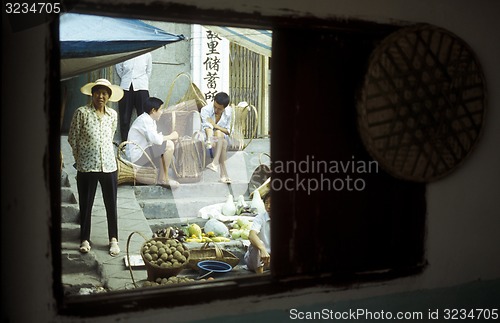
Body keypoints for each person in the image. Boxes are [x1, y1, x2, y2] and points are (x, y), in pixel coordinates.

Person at [68, 78, 123, 256]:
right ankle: (84, 239)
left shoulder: (113, 115)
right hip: (86, 166)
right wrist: (80, 158)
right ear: (92, 94)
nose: (101, 96)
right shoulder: (82, 112)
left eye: (105, 93)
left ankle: (113, 239)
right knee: (86, 204)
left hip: (108, 165)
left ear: (109, 96)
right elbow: (73, 138)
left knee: (111, 204)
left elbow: (110, 136)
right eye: (98, 92)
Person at [126, 97, 180, 189]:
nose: (162, 112)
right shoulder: (144, 120)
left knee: (166, 146)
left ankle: (163, 176)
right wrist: (171, 136)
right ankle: (162, 179)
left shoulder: (149, 120)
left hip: (142, 152)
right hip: (137, 156)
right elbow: (157, 140)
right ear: (153, 110)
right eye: (160, 109)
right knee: (169, 145)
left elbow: (155, 139)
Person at [115, 52, 153, 141]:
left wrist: (141, 80)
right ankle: (125, 144)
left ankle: (144, 143)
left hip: (141, 87)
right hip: (126, 86)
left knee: (144, 116)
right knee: (124, 118)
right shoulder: (124, 53)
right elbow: (119, 69)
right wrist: (127, 78)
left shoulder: (147, 54)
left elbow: (149, 71)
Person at [200, 92, 232, 183]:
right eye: (215, 107)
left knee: (219, 135)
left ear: (225, 108)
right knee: (222, 142)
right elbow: (207, 127)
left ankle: (214, 163)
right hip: (210, 139)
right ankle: (223, 174)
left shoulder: (229, 112)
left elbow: (228, 131)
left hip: (221, 137)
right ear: (213, 102)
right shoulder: (205, 110)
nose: (216, 110)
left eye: (220, 109)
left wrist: (216, 126)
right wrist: (211, 138)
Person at [244, 192, 271, 274]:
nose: (268, 206)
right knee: (256, 244)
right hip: (256, 260)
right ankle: (259, 276)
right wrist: (263, 249)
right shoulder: (260, 218)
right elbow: (251, 235)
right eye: (266, 203)